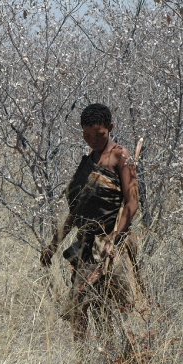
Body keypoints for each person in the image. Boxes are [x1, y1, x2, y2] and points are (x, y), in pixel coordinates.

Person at [40, 103, 142, 344]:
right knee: (79, 307)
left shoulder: (121, 156)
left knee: (119, 307)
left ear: (110, 128)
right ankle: (84, 361)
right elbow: (75, 211)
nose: (93, 140)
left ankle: (123, 358)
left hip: (111, 245)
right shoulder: (87, 163)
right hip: (85, 247)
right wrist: (53, 245)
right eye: (87, 135)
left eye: (99, 135)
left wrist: (112, 239)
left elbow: (132, 203)